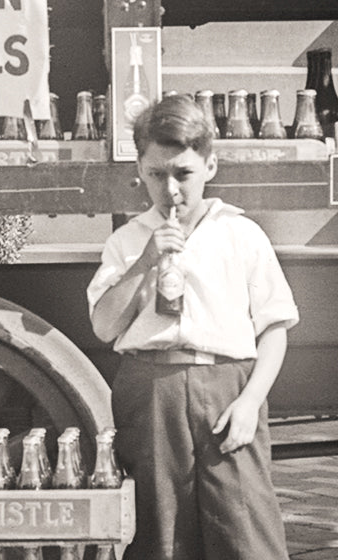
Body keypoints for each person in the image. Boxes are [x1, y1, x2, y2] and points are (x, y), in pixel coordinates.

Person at [87, 95, 298, 560]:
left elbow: (275, 328)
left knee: (244, 524)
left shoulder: (240, 233)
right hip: (152, 389)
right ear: (139, 170)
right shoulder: (127, 241)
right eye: (157, 175)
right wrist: (145, 263)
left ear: (210, 165)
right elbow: (104, 326)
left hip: (227, 387)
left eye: (183, 173)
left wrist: (249, 403)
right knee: (163, 529)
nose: (171, 190)